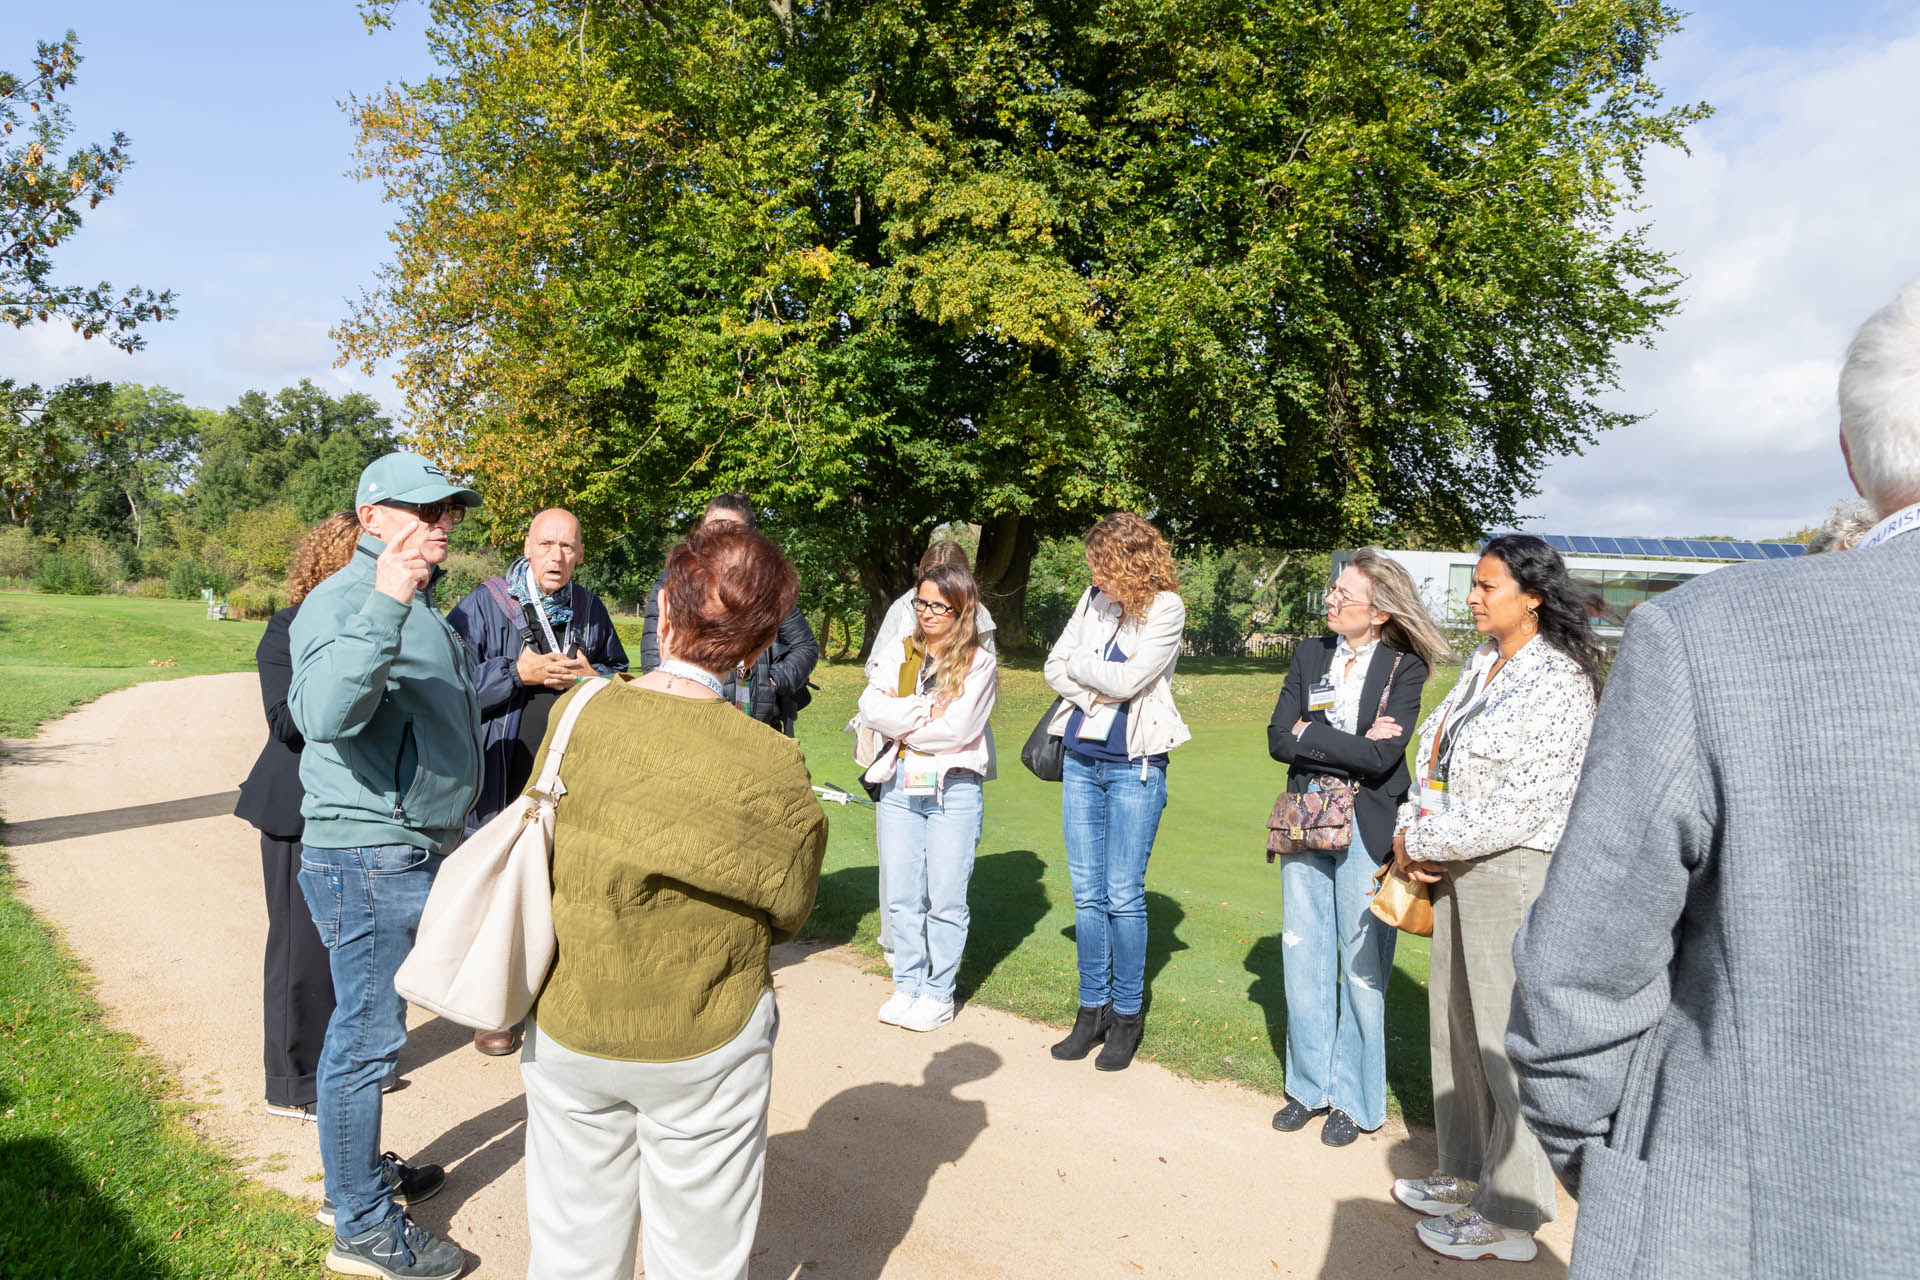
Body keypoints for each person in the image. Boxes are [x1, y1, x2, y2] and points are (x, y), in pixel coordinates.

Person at [1507, 283, 1920, 1278]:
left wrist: (1635, 1179)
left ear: (1851, 453)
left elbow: (1574, 981)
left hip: (1739, 1224)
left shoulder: (1714, 637)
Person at [520, 519, 828, 1280]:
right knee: (698, 1259)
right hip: (705, 1034)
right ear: (758, 648)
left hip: (576, 1019)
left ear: (663, 615)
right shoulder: (773, 760)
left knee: (569, 1248)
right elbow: (791, 909)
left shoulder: (578, 713)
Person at [288, 451, 484, 1280]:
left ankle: (355, 1177)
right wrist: (387, 600)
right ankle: (361, 1226)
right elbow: (323, 713)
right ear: (371, 516)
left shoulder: (414, 603)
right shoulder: (346, 601)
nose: (443, 522)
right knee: (365, 1043)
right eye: (425, 508)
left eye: (451, 511)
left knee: (370, 1036)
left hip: (404, 843)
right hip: (368, 852)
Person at [1385, 534, 1602, 1263]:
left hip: (1511, 869)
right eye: (1473, 585)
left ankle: (1512, 1213)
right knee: (1453, 1028)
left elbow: (1522, 804)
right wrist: (1417, 823)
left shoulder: (1559, 680)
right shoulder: (1484, 662)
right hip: (1455, 859)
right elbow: (1434, 753)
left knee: (1501, 1041)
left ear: (1532, 595)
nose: (1472, 597)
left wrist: (1425, 842)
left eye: (1487, 587)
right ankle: (1465, 1171)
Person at [1264, 549, 1447, 1146]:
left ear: (1380, 610)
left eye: (1345, 594)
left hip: (1367, 825)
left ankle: (1355, 1099)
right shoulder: (1310, 653)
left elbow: (1381, 758)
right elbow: (1276, 738)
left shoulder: (1404, 667)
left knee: (1361, 966)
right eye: (1332, 590)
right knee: (1303, 954)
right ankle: (1307, 1087)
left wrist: (1310, 736)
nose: (1331, 600)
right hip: (1305, 820)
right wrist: (1340, 741)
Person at [446, 507, 628, 1057]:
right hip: (500, 773)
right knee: (500, 891)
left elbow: (620, 677)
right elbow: (447, 691)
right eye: (547, 544)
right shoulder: (480, 606)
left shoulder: (589, 608)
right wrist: (517, 674)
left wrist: (595, 676)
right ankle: (493, 1011)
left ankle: (551, 1003)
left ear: (580, 553)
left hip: (566, 777)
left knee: (558, 888)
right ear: (526, 546)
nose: (557, 556)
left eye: (569, 546)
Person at [1042, 513, 1189, 1072]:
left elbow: (1131, 683)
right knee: (1086, 894)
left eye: (1099, 566)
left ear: (1128, 562)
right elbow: (1054, 667)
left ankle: (1127, 1014)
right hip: (1081, 758)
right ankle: (1091, 1009)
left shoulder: (1166, 608)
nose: (1092, 576)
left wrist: (1086, 669)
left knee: (1123, 894)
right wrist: (1093, 672)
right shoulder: (1092, 601)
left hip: (1135, 767)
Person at [234, 512, 361, 1123]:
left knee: (348, 948)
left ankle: (338, 1066)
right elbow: (285, 722)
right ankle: (291, 1080)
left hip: (353, 809)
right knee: (298, 949)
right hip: (293, 810)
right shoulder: (286, 629)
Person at [857, 561, 998, 1032]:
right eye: (922, 603)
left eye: (941, 606)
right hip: (899, 784)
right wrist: (923, 709)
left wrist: (905, 723)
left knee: (945, 899)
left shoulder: (979, 661)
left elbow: (959, 730)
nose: (929, 613)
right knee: (901, 894)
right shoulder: (903, 653)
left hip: (952, 789)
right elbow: (870, 708)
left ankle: (938, 992)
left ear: (962, 610)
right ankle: (908, 985)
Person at [640, 493, 819, 735]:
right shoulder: (675, 580)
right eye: (714, 528)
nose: (721, 539)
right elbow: (654, 652)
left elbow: (805, 645)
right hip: (689, 721)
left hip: (755, 726)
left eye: (732, 531)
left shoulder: (763, 585)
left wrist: (771, 682)